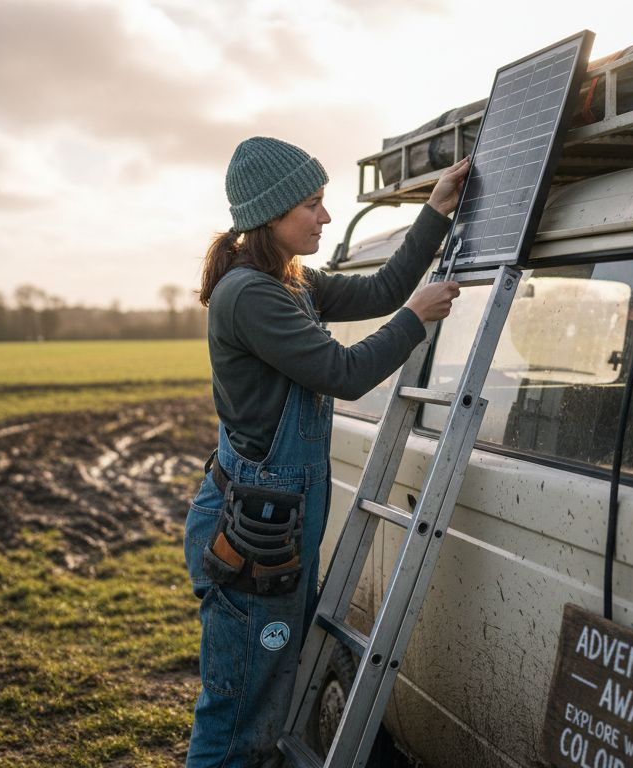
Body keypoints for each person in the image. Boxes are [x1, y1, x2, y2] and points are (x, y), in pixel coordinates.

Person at [182, 136, 469, 767]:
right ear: (273, 213)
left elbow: (377, 291)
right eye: (313, 204)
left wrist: (437, 210)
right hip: (253, 540)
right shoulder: (251, 294)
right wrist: (417, 319)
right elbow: (343, 373)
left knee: (266, 707)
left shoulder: (289, 280)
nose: (326, 217)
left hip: (274, 530)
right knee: (235, 724)